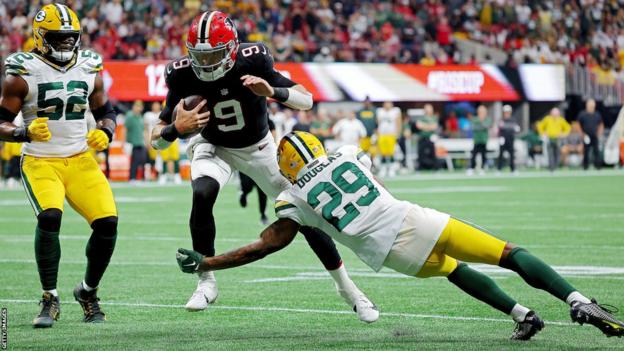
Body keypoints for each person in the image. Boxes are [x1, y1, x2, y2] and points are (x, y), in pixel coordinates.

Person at [177, 131, 624, 340]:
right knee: (508, 252)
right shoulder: (346, 154)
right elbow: (367, 171)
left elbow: (266, 245)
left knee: (452, 269)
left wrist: (209, 263)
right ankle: (577, 300)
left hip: (393, 257)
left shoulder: (292, 200)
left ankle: (523, 314)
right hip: (415, 220)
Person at [150, 11, 377, 322]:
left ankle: (348, 289)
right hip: (212, 145)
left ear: (231, 49)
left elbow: (306, 99)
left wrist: (273, 92)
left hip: (258, 148)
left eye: (214, 55)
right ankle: (206, 282)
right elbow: (155, 141)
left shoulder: (254, 59)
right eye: (199, 57)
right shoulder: (180, 74)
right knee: (202, 194)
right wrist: (174, 129)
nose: (206, 64)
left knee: (306, 213)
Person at [0, 4, 118, 327]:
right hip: (40, 161)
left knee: (108, 223)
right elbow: (0, 123)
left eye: (71, 38)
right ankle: (49, 296)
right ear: (41, 38)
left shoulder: (90, 65)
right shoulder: (21, 73)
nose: (67, 45)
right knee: (50, 218)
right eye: (59, 38)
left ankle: (88, 291)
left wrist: (105, 132)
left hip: (80, 158)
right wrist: (23, 132)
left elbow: (108, 110)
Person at [537, 107, 571, 172]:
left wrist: (563, 134)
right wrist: (543, 133)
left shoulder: (561, 120)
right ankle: (551, 167)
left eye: (556, 114)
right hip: (549, 138)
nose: (555, 115)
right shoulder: (547, 119)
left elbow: (568, 127)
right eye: (553, 114)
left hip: (558, 138)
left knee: (557, 153)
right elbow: (540, 126)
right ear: (551, 114)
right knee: (550, 153)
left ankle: (555, 166)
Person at [376, 101, 402, 177]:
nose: (387, 105)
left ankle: (391, 168)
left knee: (391, 152)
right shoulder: (380, 111)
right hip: (382, 134)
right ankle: (383, 168)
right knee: (383, 152)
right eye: (386, 103)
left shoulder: (395, 111)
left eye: (389, 103)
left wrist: (398, 133)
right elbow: (378, 122)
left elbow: (398, 122)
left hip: (391, 134)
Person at [577, 99, 603, 170]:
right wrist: (582, 134)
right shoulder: (582, 114)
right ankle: (585, 166)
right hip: (586, 136)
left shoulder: (597, 114)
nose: (591, 106)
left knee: (596, 151)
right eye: (590, 105)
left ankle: (598, 166)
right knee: (586, 151)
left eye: (592, 105)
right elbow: (578, 125)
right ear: (587, 105)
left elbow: (601, 124)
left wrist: (599, 133)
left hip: (594, 135)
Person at [125, 100, 147, 181]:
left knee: (143, 160)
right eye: (137, 106)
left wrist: (146, 141)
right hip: (132, 142)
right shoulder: (130, 116)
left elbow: (143, 130)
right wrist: (124, 142)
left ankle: (142, 177)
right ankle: (132, 178)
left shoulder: (140, 116)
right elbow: (125, 128)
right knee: (134, 161)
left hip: (141, 142)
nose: (139, 108)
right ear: (134, 106)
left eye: (140, 106)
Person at [468, 105, 492, 175]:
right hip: (477, 140)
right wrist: (481, 124)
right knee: (474, 155)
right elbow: (474, 127)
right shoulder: (475, 119)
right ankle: (472, 168)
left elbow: (486, 126)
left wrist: (481, 124)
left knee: (484, 155)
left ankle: (482, 168)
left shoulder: (487, 119)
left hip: (484, 140)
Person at [497, 105, 521, 173]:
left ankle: (513, 169)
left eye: (508, 112)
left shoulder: (513, 119)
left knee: (512, 154)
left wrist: (508, 127)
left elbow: (516, 128)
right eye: (505, 112)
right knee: (501, 154)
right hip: (503, 139)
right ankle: (499, 169)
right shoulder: (501, 119)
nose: (506, 113)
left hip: (510, 138)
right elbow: (501, 127)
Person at [415, 103, 438, 170]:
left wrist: (425, 126)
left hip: (430, 138)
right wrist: (429, 126)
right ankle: (419, 168)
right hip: (422, 138)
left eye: (430, 108)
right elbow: (419, 125)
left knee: (433, 153)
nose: (428, 110)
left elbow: (434, 127)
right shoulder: (421, 117)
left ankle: (435, 168)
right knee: (420, 153)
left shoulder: (434, 117)